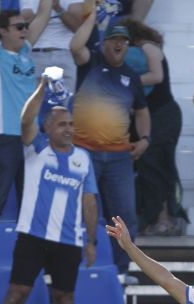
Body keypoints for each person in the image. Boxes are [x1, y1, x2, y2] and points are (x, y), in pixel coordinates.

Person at [0, 75, 96, 304]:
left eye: (71, 124)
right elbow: (26, 120)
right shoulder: (36, 148)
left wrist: (91, 241)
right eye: (62, 124)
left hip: (69, 240)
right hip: (33, 236)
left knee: (64, 299)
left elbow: (89, 200)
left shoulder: (83, 159)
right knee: (18, 293)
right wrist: (41, 87)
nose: (68, 129)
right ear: (47, 128)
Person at [70, 16, 150, 280]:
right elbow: (75, 46)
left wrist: (145, 138)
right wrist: (92, 15)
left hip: (119, 157)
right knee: (84, 211)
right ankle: (82, 265)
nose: (119, 44)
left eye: (123, 41)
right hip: (85, 153)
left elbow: (142, 112)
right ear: (104, 43)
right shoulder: (90, 62)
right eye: (114, 39)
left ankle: (122, 270)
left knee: (124, 214)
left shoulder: (131, 76)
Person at [0, 1, 52, 225]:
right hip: (4, 138)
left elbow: (44, 12)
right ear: (2, 31)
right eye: (18, 27)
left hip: (31, 139)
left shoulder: (25, 50)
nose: (25, 30)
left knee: (30, 203)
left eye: (25, 26)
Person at [124, 18, 184, 236]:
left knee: (159, 166)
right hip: (148, 115)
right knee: (149, 169)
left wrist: (124, 80)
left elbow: (156, 76)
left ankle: (165, 218)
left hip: (163, 114)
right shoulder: (135, 52)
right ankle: (153, 218)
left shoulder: (148, 47)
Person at [20, 0, 84, 93]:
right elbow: (21, 28)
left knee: (64, 104)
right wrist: (43, 11)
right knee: (31, 104)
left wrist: (58, 8)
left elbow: (78, 29)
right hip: (34, 55)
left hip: (64, 54)